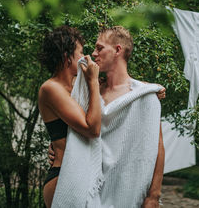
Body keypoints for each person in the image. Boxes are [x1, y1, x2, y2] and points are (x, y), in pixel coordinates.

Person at [48, 26, 165, 207]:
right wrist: (61, 146)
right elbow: (75, 132)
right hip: (89, 190)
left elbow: (156, 146)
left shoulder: (145, 96)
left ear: (118, 50)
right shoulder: (88, 92)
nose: (94, 54)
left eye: (99, 48)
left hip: (124, 189)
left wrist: (154, 195)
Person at [38, 25, 101, 208]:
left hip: (85, 174)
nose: (84, 58)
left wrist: (150, 89)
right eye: (80, 53)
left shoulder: (77, 87)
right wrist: (93, 81)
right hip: (63, 177)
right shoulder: (51, 88)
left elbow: (117, 88)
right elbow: (92, 129)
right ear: (67, 56)